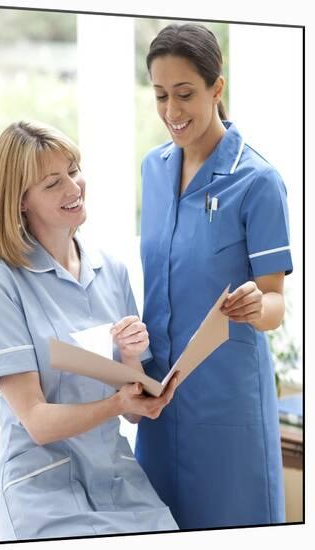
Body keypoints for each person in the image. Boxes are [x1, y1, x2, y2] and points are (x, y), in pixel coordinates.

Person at [0, 121, 179, 541]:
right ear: (21, 201)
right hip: (43, 489)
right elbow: (37, 422)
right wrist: (116, 404)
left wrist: (134, 366)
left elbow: (135, 410)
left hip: (117, 479)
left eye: (73, 169)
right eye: (52, 182)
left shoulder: (111, 271)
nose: (73, 186)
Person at [135, 23, 293, 530]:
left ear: (217, 88)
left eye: (185, 94)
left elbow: (275, 304)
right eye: (161, 96)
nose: (171, 112)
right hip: (160, 404)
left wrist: (255, 303)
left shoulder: (259, 182)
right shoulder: (153, 171)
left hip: (228, 410)